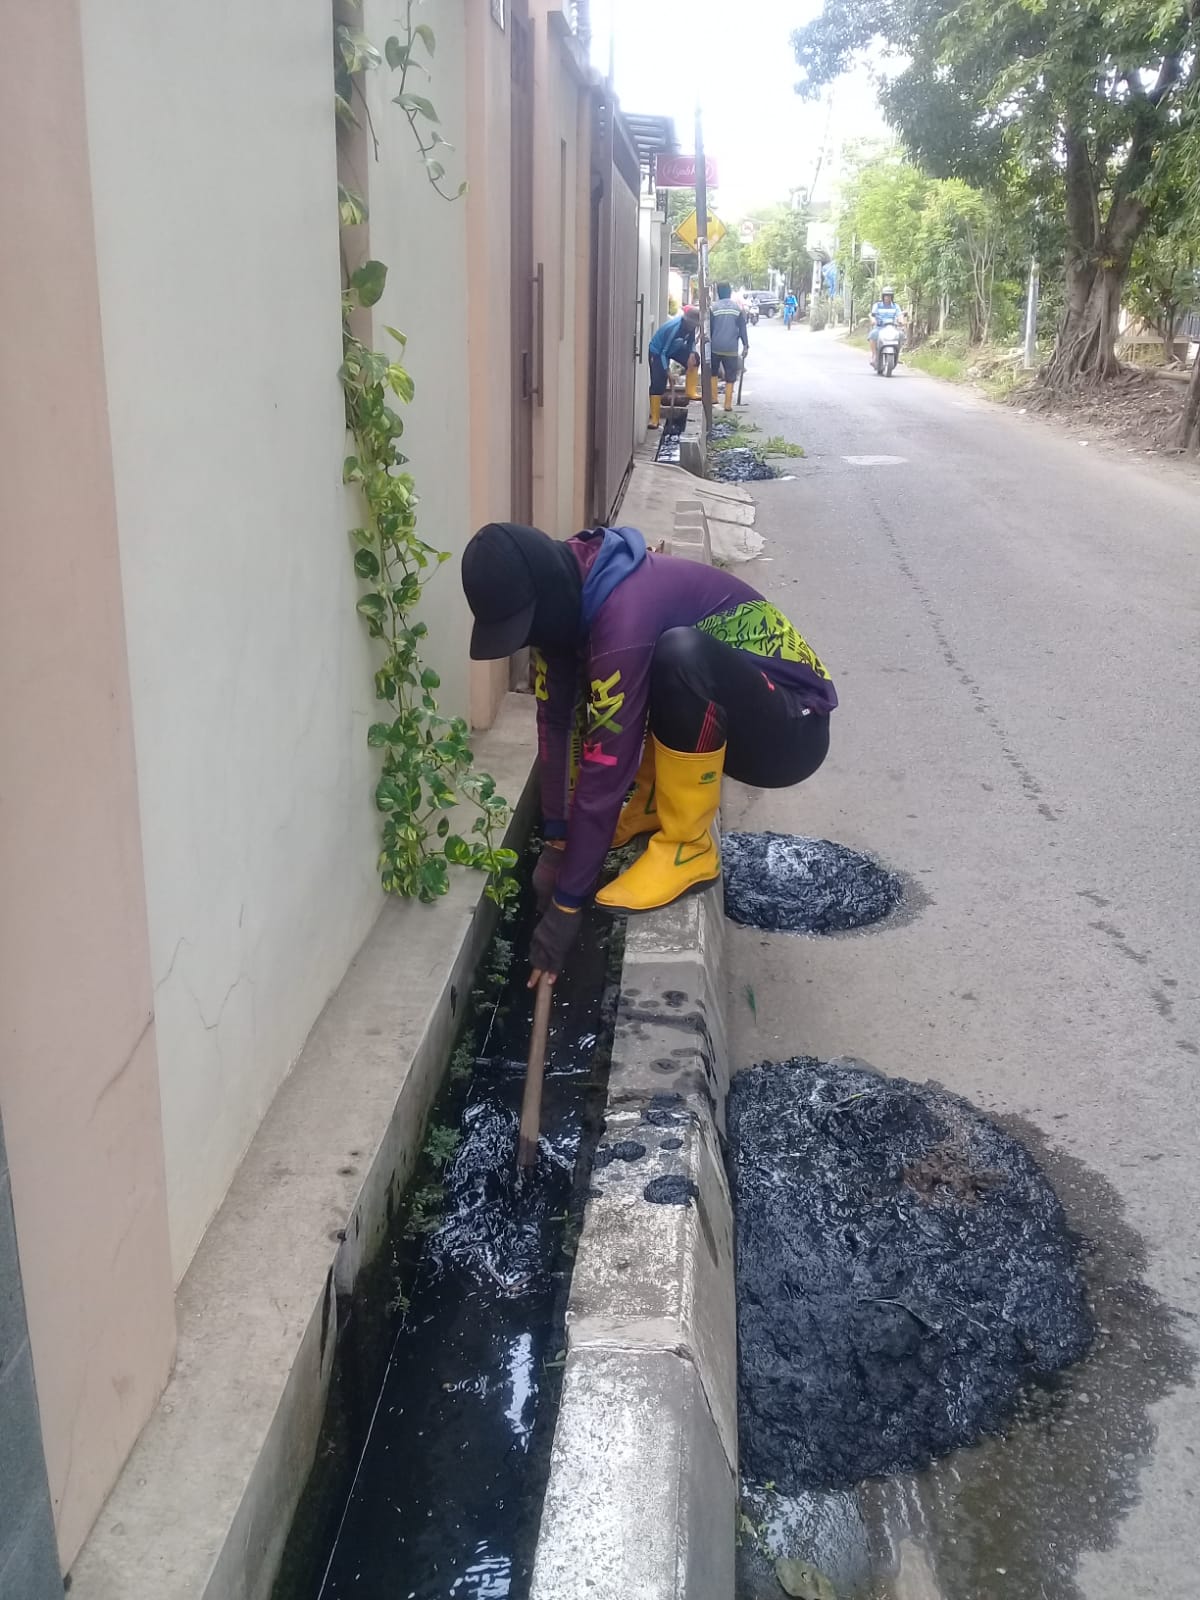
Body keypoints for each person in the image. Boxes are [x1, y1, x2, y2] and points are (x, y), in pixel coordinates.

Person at [460, 522, 837, 986]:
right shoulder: (569, 597)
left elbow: (607, 766)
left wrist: (567, 906)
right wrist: (557, 841)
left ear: (545, 598)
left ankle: (689, 848)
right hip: (731, 716)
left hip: (790, 730)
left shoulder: (624, 614)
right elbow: (555, 722)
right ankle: (654, 805)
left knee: (677, 656)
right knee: (657, 667)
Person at [647, 305, 701, 427]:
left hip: (674, 348)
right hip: (657, 352)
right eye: (693, 325)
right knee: (658, 384)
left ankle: (690, 392)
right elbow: (663, 353)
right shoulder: (674, 328)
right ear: (686, 321)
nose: (694, 327)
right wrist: (668, 372)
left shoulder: (691, 327)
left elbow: (691, 342)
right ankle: (654, 419)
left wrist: (692, 353)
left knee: (695, 360)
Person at [709, 283, 749, 412]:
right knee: (730, 375)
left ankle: (714, 398)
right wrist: (745, 345)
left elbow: (709, 328)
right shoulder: (737, 308)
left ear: (718, 293)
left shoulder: (714, 308)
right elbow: (742, 328)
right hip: (731, 348)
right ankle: (727, 404)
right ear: (730, 292)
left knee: (713, 372)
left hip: (715, 346)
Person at [868, 285, 904, 369]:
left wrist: (901, 321)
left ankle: (897, 353)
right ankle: (874, 356)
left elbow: (900, 315)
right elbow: (872, 315)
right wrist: (873, 320)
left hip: (893, 328)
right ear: (883, 296)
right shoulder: (877, 305)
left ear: (892, 296)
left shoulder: (896, 306)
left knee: (901, 335)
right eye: (885, 295)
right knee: (873, 335)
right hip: (880, 328)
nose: (887, 297)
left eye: (889, 295)